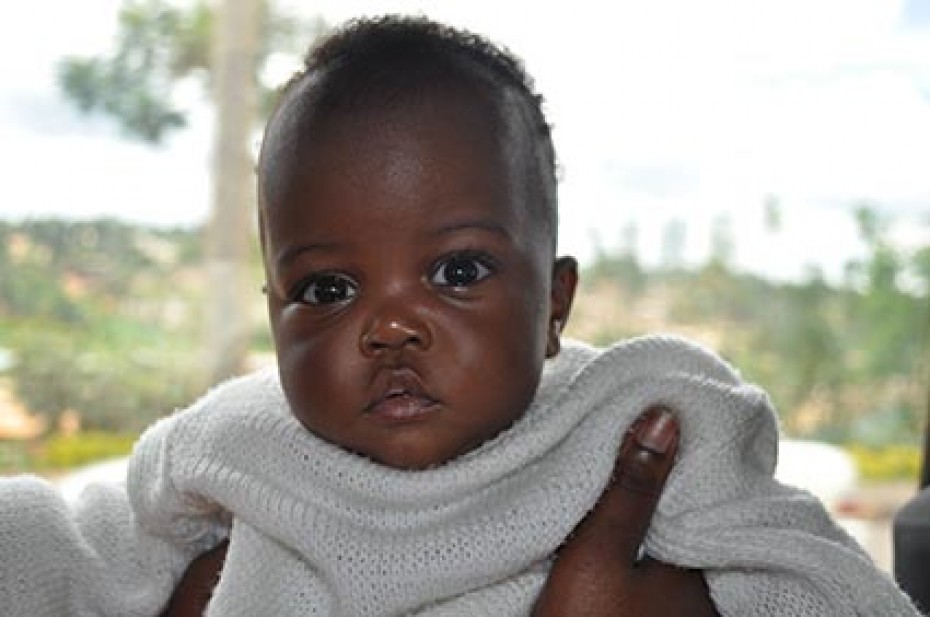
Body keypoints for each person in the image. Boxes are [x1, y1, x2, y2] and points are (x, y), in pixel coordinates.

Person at [0, 15, 920, 617]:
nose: (390, 327)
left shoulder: (636, 426)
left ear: (554, 305)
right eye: (327, 289)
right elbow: (58, 547)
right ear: (273, 311)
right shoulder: (236, 448)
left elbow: (836, 589)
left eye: (457, 269)